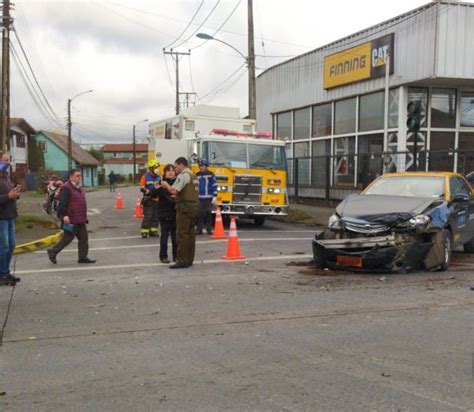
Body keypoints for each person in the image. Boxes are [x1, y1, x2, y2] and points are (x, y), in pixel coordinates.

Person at [47, 169, 96, 265]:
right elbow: (62, 204)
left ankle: (82, 257)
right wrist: (64, 215)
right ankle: (53, 251)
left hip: (80, 218)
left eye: (80, 176)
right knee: (68, 238)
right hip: (71, 218)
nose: (80, 178)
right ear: (71, 177)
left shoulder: (78, 188)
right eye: (77, 176)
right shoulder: (66, 188)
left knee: (83, 238)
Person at [160, 157, 198, 269]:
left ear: (182, 165)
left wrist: (166, 185)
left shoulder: (184, 176)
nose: (175, 169)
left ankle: (181, 260)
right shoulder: (193, 175)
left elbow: (173, 190)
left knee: (182, 234)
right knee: (190, 235)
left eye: (176, 166)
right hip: (194, 207)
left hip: (184, 208)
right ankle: (189, 259)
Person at [0, 152, 21, 286]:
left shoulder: (5, 176)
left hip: (10, 215)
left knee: (11, 246)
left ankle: (6, 272)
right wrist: (9, 196)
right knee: (4, 246)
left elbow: (10, 194)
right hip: (1, 217)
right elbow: (5, 196)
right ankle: (2, 274)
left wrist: (16, 193)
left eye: (9, 160)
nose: (8, 163)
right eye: (5, 160)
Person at [152, 164, 177, 263]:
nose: (170, 172)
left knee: (175, 237)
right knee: (164, 236)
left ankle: (176, 256)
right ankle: (163, 256)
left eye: (172, 170)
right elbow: (152, 195)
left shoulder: (177, 182)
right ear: (165, 172)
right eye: (168, 171)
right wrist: (156, 189)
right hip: (163, 213)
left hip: (175, 212)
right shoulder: (161, 182)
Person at [139, 160, 161, 238]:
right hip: (148, 199)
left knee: (156, 216)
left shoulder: (158, 177)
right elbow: (142, 187)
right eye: (155, 167)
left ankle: (153, 231)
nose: (157, 169)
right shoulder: (145, 176)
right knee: (148, 216)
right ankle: (144, 231)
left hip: (157, 200)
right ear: (151, 168)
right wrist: (149, 192)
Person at [196, 159, 217, 235]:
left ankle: (209, 229)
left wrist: (215, 196)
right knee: (199, 214)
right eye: (200, 166)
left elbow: (214, 185)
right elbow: (195, 186)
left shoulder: (211, 174)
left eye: (202, 166)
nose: (201, 167)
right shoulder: (197, 174)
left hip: (208, 197)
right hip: (200, 197)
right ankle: (199, 230)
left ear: (206, 166)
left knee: (208, 213)